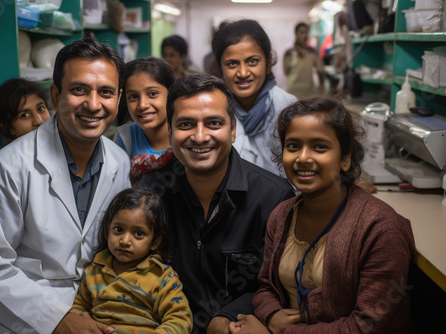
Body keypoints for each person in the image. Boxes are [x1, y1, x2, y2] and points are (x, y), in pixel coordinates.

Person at [0, 37, 131, 334]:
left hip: (101, 309)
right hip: (28, 319)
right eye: (79, 89)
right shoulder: (8, 168)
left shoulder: (120, 161)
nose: (93, 105)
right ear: (56, 97)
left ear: (118, 100)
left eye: (105, 92)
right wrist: (58, 319)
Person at [228, 97, 415, 333]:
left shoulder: (379, 228)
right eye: (293, 146)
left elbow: (368, 326)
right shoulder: (282, 215)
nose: (303, 158)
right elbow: (266, 286)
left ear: (345, 159)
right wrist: (271, 314)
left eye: (319, 147)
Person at [138, 74, 295, 333]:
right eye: (186, 124)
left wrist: (227, 315)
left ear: (232, 130)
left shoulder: (273, 198)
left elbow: (278, 285)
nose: (200, 137)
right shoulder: (150, 192)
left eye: (213, 123)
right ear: (170, 132)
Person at [71, 187, 193, 333]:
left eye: (138, 233)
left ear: (155, 241)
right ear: (107, 230)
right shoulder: (94, 271)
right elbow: (79, 307)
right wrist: (85, 320)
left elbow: (180, 318)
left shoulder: (163, 278)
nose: (125, 240)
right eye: (118, 230)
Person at [211, 19, 297, 177]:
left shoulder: (287, 107)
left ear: (268, 63)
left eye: (252, 61)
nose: (243, 73)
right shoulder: (213, 109)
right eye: (232, 64)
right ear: (220, 68)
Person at [283, 22, 325, 99]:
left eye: (306, 32)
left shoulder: (312, 52)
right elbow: (286, 71)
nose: (304, 35)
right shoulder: (289, 53)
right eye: (301, 32)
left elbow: (320, 71)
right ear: (296, 33)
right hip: (293, 92)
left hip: (309, 92)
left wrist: (322, 88)